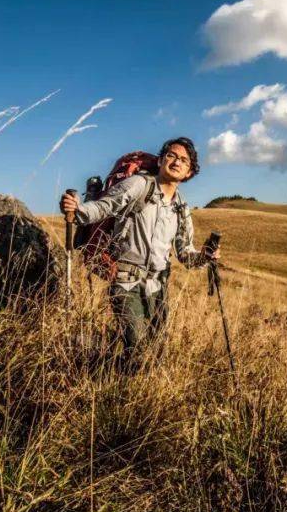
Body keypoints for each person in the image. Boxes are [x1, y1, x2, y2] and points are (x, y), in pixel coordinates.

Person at [59, 137, 218, 369]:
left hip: (159, 288)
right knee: (139, 351)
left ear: (189, 173)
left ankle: (108, 373)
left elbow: (185, 254)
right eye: (171, 156)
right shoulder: (139, 185)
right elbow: (105, 206)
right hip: (126, 281)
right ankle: (110, 389)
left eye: (183, 160)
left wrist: (205, 255)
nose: (176, 162)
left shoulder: (181, 207)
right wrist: (79, 210)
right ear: (162, 160)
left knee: (156, 353)